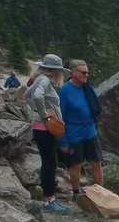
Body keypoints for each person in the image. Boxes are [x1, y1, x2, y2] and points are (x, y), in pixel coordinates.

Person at [27, 54, 70, 213]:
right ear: (56, 70)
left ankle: (49, 198)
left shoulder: (39, 79)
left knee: (49, 162)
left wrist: (37, 111)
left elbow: (27, 95)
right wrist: (44, 114)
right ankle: (48, 200)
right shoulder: (45, 80)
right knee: (50, 163)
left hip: (40, 127)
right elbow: (37, 96)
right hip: (46, 128)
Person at [58, 59, 104, 199]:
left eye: (87, 72)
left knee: (96, 162)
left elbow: (95, 106)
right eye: (83, 72)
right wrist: (63, 141)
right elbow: (60, 117)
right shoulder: (64, 91)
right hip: (74, 135)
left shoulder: (87, 88)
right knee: (76, 165)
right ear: (73, 73)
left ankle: (101, 193)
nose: (86, 75)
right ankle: (76, 193)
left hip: (90, 133)